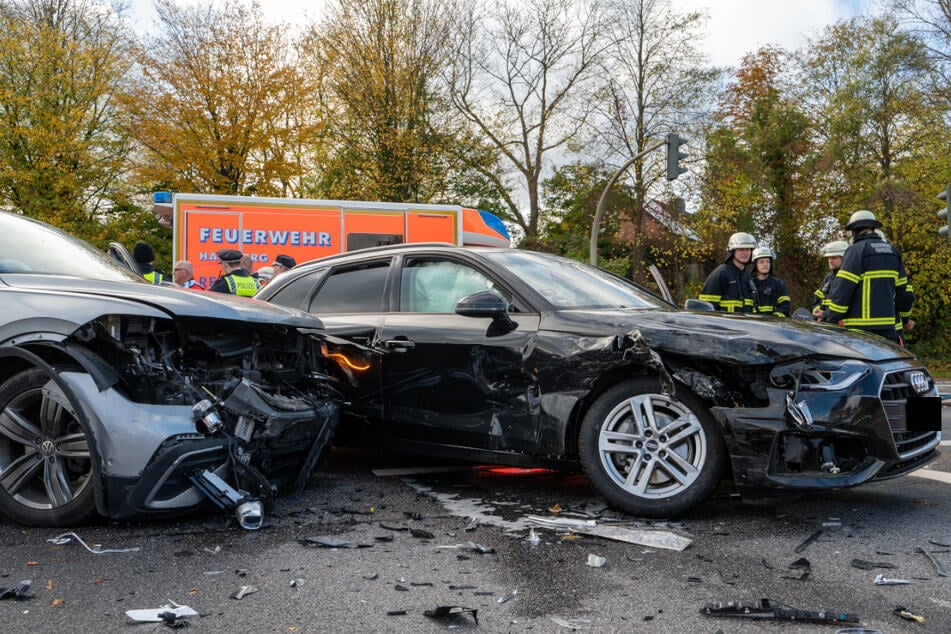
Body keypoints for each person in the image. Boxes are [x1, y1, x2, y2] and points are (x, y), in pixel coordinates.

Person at [819, 210, 914, 343]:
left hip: (860, 332)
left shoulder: (856, 251)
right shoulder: (893, 252)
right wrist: (905, 319)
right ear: (874, 228)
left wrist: (830, 320)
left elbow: (843, 291)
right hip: (888, 329)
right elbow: (905, 294)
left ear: (853, 231)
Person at [699, 232, 757, 313]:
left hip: (745, 324)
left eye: (748, 249)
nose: (745, 253)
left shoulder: (748, 276)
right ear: (732, 251)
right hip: (725, 324)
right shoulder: (721, 273)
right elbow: (705, 307)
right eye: (741, 249)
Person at [811, 240, 849, 318]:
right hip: (824, 323)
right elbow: (817, 300)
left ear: (844, 258)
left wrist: (825, 315)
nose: (830, 261)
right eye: (829, 258)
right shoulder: (828, 278)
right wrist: (817, 313)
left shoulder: (848, 277)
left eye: (834, 258)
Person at [749, 247, 790, 316]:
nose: (765, 264)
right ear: (755, 265)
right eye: (761, 262)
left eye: (768, 261)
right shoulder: (748, 284)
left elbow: (785, 306)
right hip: (753, 324)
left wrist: (774, 318)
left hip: (773, 324)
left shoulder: (779, 284)